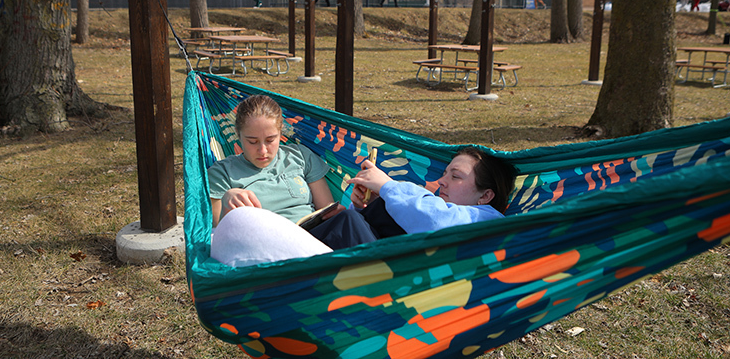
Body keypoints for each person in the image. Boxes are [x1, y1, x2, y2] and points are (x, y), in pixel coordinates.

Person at [207, 95, 361, 266]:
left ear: (281, 133)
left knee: (350, 217)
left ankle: (382, 274)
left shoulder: (299, 156)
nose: (262, 150)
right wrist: (228, 200)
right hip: (267, 248)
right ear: (239, 135)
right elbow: (219, 236)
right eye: (252, 141)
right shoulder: (222, 172)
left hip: (312, 237)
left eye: (270, 140)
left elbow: (326, 208)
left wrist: (333, 212)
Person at [308, 147, 516, 250]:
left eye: (455, 176)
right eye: (444, 173)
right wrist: (365, 206)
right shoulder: (424, 209)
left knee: (348, 223)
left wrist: (388, 186)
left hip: (400, 290)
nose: (442, 181)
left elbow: (438, 221)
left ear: (485, 195)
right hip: (382, 272)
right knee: (352, 219)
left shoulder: (489, 220)